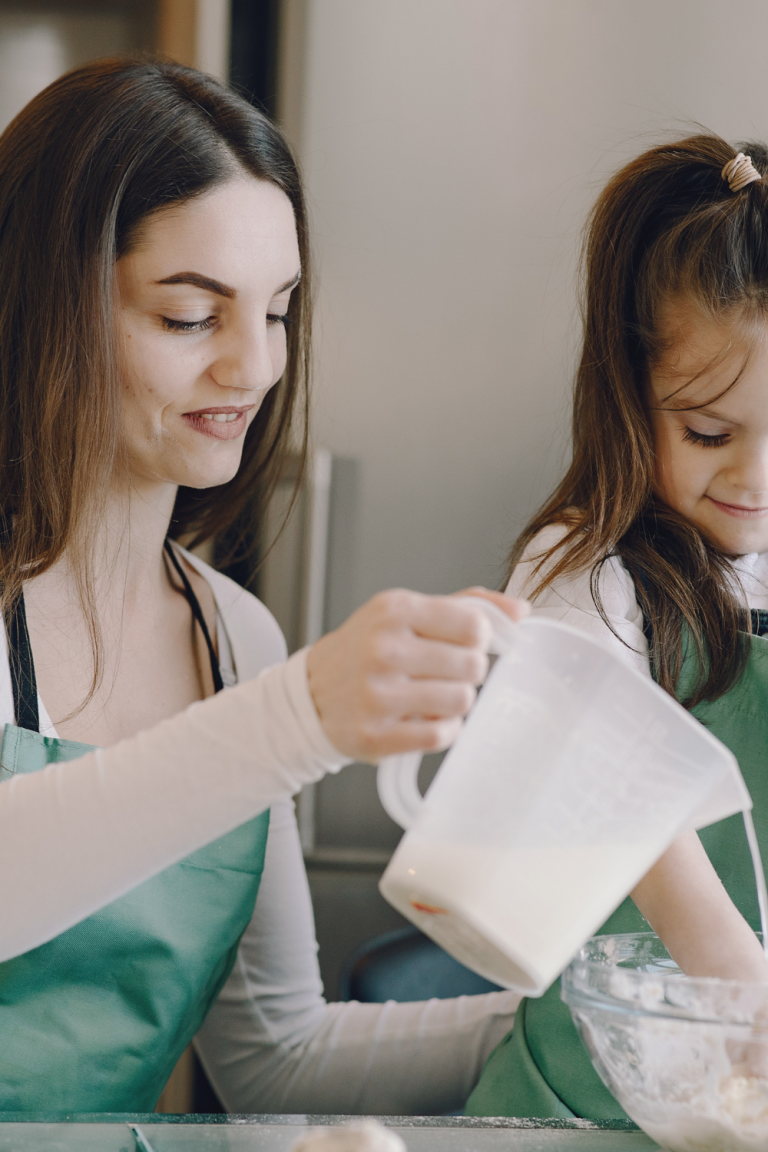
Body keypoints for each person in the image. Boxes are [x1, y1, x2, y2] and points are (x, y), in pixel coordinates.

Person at [0, 58, 527, 1113]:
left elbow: (275, 1056)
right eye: (190, 317)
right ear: (43, 300)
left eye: (277, 311)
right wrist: (297, 719)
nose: (254, 367)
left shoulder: (231, 632)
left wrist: (557, 1025)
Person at [466, 136, 768, 1119]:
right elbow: (588, 749)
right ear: (626, 398)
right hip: (588, 1110)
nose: (753, 479)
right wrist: (730, 969)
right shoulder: (584, 575)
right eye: (708, 434)